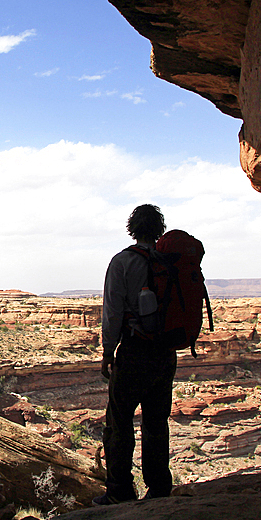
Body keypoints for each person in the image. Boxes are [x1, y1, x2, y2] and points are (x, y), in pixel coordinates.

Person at [96, 203, 178, 504]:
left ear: (133, 228)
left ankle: (119, 491)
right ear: (159, 229)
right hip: (165, 353)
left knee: (119, 421)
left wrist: (108, 351)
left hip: (134, 351)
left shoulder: (122, 262)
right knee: (156, 422)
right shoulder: (169, 262)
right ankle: (158, 489)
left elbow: (113, 312)